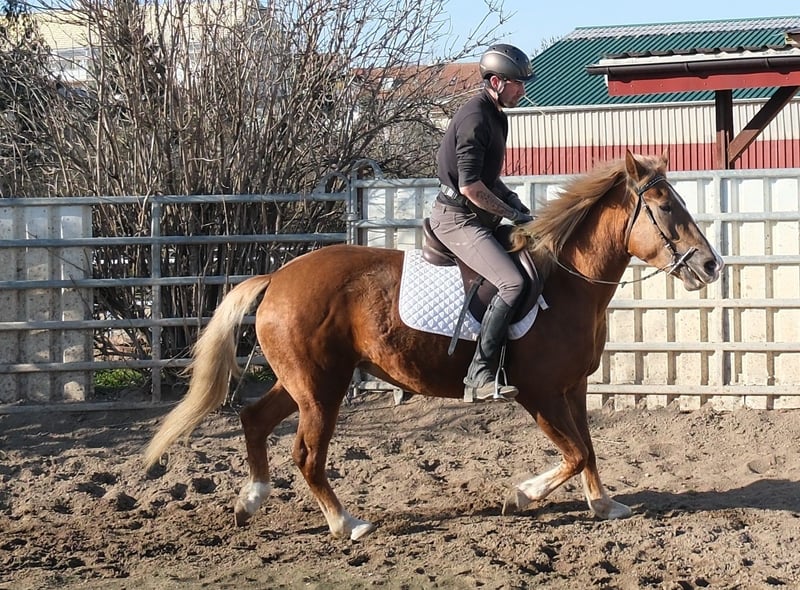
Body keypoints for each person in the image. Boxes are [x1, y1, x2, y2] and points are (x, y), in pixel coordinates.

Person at [429, 43, 534, 402]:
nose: (522, 90)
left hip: (477, 215)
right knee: (512, 283)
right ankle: (479, 373)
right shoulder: (475, 117)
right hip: (457, 218)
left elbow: (488, 179)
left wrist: (515, 203)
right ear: (495, 82)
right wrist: (512, 214)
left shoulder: (496, 115)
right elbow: (471, 187)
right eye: (517, 83)